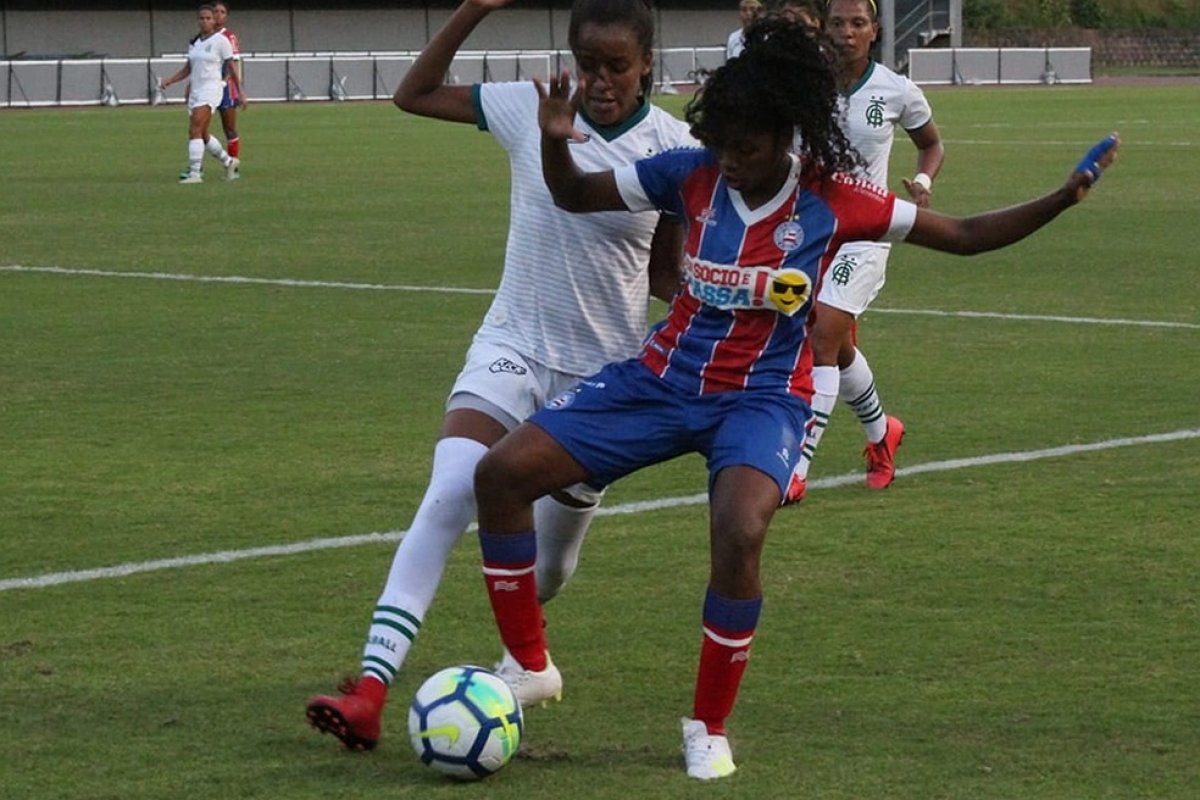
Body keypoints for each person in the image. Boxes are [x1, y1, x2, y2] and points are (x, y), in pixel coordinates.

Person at [471, 17, 1118, 780]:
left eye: (746, 148)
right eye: (723, 146)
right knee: (501, 475)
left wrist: (1063, 198)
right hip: (662, 380)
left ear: (788, 136)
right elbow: (574, 193)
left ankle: (708, 725)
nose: (731, 162)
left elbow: (967, 233)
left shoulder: (841, 201)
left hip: (761, 399)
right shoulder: (691, 173)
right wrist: (553, 136)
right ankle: (530, 664)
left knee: (740, 530)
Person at [305, 0, 697, 752]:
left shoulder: (673, 146)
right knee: (451, 491)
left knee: (548, 566)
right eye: (589, 64)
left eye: (618, 66)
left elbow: (660, 270)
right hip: (511, 343)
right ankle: (371, 688)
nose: (602, 80)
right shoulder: (525, 106)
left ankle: (529, 659)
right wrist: (474, 10)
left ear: (647, 62)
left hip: (598, 378)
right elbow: (412, 95)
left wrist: (711, 303)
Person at [784, 0, 945, 503]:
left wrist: (921, 180)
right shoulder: (804, 85)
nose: (847, 32)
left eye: (858, 23)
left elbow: (932, 145)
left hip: (867, 229)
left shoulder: (897, 91)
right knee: (838, 344)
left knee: (822, 335)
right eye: (838, 23)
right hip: (809, 232)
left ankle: (796, 467)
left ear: (874, 31)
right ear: (824, 28)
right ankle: (883, 435)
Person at [160, 4, 243, 184]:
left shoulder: (222, 41)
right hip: (196, 91)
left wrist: (240, 92)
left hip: (211, 89)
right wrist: (171, 80)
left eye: (208, 18)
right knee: (203, 133)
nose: (205, 21)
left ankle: (195, 173)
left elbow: (231, 67)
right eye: (202, 18)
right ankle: (229, 162)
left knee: (195, 129)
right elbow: (188, 68)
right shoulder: (196, 43)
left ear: (214, 20)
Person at [213, 1, 243, 178]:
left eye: (222, 12)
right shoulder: (203, 37)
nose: (218, 15)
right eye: (215, 11)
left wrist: (235, 86)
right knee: (199, 129)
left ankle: (233, 165)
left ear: (226, 16)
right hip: (207, 86)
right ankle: (196, 167)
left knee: (229, 129)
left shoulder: (229, 37)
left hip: (226, 88)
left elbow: (234, 64)